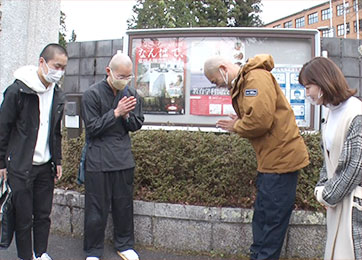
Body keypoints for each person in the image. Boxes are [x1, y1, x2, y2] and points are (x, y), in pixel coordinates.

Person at [203, 54, 310, 260]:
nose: (217, 86)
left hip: (280, 162)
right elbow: (258, 115)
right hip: (272, 161)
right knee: (263, 219)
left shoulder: (255, 78)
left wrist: (237, 126)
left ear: (223, 69)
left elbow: (260, 121)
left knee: (271, 222)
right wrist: (243, 119)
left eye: (215, 80)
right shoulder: (247, 80)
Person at [0, 43, 68, 260]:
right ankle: (25, 256)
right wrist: (2, 163)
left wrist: (57, 159)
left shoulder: (57, 94)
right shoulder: (18, 90)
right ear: (42, 62)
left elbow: (55, 131)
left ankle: (41, 253)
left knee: (43, 215)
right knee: (23, 218)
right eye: (56, 66)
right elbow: (3, 128)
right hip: (21, 166)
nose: (60, 72)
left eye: (63, 68)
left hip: (44, 167)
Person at [81, 53, 144, 260]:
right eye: (121, 76)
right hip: (98, 159)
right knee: (95, 208)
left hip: (123, 158)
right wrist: (116, 113)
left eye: (128, 76)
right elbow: (91, 128)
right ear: (109, 72)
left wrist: (127, 116)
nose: (125, 80)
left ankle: (125, 244)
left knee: (123, 205)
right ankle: (93, 251)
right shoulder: (92, 94)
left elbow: (136, 125)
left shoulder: (132, 93)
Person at [299, 57, 362, 260]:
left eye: (308, 87)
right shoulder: (330, 112)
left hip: (355, 203)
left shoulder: (356, 114)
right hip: (338, 201)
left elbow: (353, 166)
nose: (307, 93)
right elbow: (327, 157)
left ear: (323, 82)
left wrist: (326, 194)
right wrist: (323, 188)